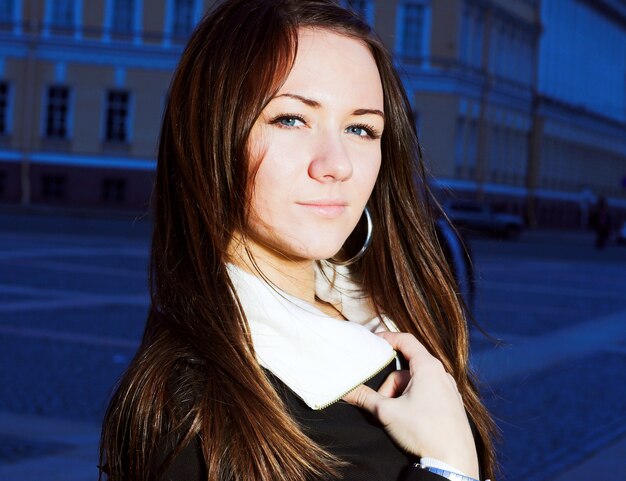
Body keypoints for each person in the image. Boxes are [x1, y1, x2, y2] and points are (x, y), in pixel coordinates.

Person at [99, 1, 497, 480]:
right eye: (291, 119)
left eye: (361, 128)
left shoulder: (397, 318)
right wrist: (450, 468)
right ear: (211, 135)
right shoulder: (191, 409)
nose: (337, 164)